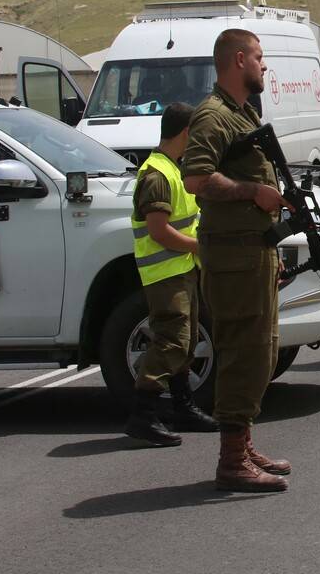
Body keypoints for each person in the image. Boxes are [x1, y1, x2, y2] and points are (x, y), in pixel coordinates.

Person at [182, 28, 293, 493]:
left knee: (262, 348)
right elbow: (195, 179)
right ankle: (231, 460)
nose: (265, 65)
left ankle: (242, 442)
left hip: (252, 250)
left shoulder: (241, 113)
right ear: (239, 59)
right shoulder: (213, 117)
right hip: (232, 255)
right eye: (260, 57)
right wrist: (254, 191)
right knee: (242, 350)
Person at [124, 102, 219, 447]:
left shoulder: (172, 169)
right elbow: (159, 231)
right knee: (172, 341)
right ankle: (143, 415)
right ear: (186, 134)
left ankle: (183, 407)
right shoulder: (157, 175)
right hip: (165, 274)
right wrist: (200, 249)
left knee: (188, 340)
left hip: (181, 270)